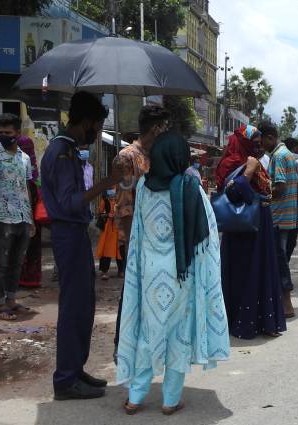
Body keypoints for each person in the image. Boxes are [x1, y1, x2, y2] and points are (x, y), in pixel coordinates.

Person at [116, 131, 229, 415]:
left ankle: (135, 397)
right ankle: (170, 400)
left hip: (150, 274)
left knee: (147, 332)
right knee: (178, 335)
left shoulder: (143, 186)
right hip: (183, 274)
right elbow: (207, 236)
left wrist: (137, 269)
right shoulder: (190, 186)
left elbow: (138, 233)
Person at [41, 91, 122, 400]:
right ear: (87, 122)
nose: (97, 131)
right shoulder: (62, 152)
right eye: (97, 125)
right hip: (67, 232)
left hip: (75, 233)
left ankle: (74, 369)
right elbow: (69, 201)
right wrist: (106, 183)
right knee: (74, 306)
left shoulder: (70, 149)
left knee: (84, 304)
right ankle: (65, 378)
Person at [216, 124, 287, 339]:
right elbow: (233, 193)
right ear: (244, 142)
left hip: (260, 224)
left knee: (263, 268)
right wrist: (248, 171)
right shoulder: (231, 163)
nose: (259, 147)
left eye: (260, 143)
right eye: (255, 143)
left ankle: (264, 321)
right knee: (245, 272)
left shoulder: (255, 161)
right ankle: (243, 322)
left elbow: (264, 189)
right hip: (242, 228)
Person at [112, 105, 169, 362]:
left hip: (157, 241)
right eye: (165, 127)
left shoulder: (156, 156)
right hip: (136, 241)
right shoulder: (128, 157)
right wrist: (127, 245)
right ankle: (122, 347)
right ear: (157, 128)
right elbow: (124, 206)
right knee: (131, 296)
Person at [0, 113, 37, 321]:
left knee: (17, 262)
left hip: (22, 216)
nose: (4, 136)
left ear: (17, 133)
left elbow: (26, 188)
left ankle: (11, 300)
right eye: (0, 132)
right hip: (1, 217)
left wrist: (30, 218)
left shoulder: (25, 158)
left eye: (8, 132)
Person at [260, 122, 298, 318]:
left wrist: (265, 194)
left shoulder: (278, 156)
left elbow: (280, 187)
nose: (261, 145)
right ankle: (281, 301)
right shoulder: (289, 154)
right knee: (281, 259)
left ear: (269, 137)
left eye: (262, 140)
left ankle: (286, 304)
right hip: (289, 215)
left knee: (279, 260)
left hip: (280, 217)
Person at [17, 135, 43, 288]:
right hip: (33, 218)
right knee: (32, 248)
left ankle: (21, 278)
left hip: (20, 217)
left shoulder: (18, 167)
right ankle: (31, 279)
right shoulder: (34, 173)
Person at [95, 187, 124, 280]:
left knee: (120, 250)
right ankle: (104, 271)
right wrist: (108, 215)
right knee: (106, 250)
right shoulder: (105, 201)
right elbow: (100, 213)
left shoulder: (121, 199)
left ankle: (121, 270)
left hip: (119, 228)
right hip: (108, 230)